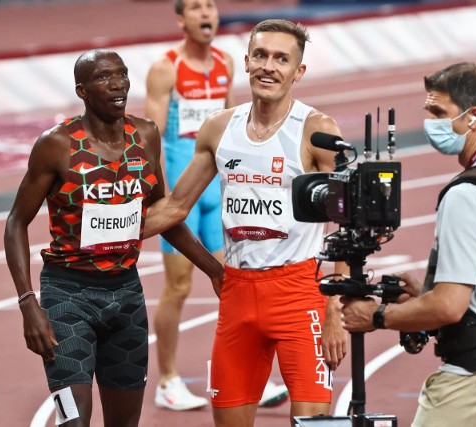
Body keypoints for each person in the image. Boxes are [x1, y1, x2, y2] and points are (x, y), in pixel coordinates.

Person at [144, 19, 348, 427]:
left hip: (298, 295)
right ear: (247, 62)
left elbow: (348, 225)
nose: (269, 66)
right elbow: (174, 208)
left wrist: (334, 311)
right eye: (261, 55)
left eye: (281, 59)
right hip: (237, 294)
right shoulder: (220, 128)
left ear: (298, 72)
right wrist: (101, 234)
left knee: (313, 425)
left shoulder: (316, 132)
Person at [4, 49, 223, 427]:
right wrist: (28, 303)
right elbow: (15, 222)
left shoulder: (146, 135)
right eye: (104, 77)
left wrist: (214, 270)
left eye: (121, 74)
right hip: (67, 296)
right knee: (74, 422)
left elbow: (163, 216)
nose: (118, 83)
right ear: (82, 90)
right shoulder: (56, 145)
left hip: (126, 298)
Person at [340, 62, 476, 427]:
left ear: (474, 117)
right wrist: (426, 291)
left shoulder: (468, 194)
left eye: (438, 112)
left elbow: (449, 307)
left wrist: (376, 317)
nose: (429, 123)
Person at [144, 0, 288, 410]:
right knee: (179, 286)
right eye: (196, 7)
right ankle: (168, 379)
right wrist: (165, 199)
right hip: (180, 193)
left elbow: (230, 126)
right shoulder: (166, 68)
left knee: (233, 284)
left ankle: (242, 374)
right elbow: (151, 137)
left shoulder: (226, 63)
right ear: (181, 19)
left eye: (210, 5)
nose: (207, 13)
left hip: (217, 193)